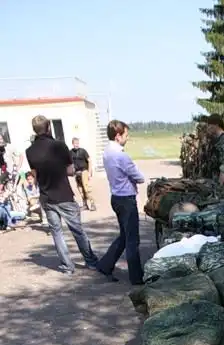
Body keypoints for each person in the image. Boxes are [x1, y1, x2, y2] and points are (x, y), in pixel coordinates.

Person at [25, 115, 99, 275]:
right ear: (48, 127)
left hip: (46, 196)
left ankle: (67, 266)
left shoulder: (30, 151)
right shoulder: (59, 146)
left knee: (57, 232)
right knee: (77, 230)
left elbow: (34, 174)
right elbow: (70, 170)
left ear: (34, 130)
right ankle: (91, 261)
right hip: (63, 194)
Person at [97, 119, 145, 285]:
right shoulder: (121, 155)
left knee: (125, 236)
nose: (127, 137)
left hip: (116, 197)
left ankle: (105, 264)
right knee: (132, 240)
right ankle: (136, 277)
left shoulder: (107, 151)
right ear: (118, 136)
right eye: (126, 134)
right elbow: (140, 177)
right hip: (126, 199)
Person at [70, 137, 96, 211]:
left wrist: (89, 172)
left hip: (84, 171)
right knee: (80, 189)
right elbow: (70, 163)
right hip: (77, 173)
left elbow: (89, 161)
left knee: (86, 188)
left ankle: (92, 204)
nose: (76, 145)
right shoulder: (70, 152)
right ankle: (85, 205)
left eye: (77, 143)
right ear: (72, 144)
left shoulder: (83, 151)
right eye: (75, 143)